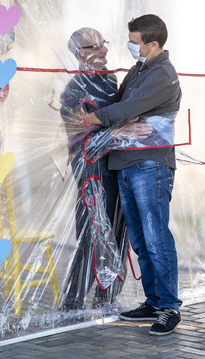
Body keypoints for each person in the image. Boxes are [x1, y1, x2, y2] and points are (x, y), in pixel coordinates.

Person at [82, 14, 183, 336]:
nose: (129, 46)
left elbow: (129, 108)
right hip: (126, 162)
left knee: (156, 237)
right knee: (140, 239)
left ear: (153, 44)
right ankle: (153, 301)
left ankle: (169, 307)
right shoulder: (140, 70)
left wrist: (92, 119)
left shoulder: (162, 73)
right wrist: (120, 119)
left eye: (134, 41)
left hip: (150, 164)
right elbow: (127, 106)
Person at [59, 27, 129, 311]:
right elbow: (78, 126)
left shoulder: (110, 80)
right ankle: (74, 301)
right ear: (78, 54)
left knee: (116, 230)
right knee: (92, 232)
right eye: (94, 47)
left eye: (103, 44)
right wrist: (114, 128)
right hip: (91, 168)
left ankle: (107, 297)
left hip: (115, 166)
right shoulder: (75, 87)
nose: (104, 51)